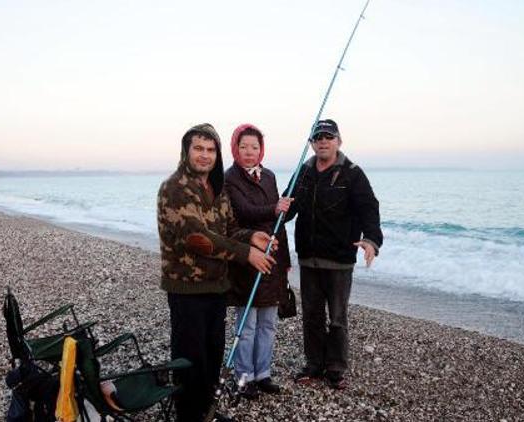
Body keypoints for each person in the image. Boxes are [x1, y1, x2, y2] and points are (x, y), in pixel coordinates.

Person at [157, 123, 277, 422]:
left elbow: (229, 229)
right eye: (198, 148)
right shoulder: (176, 188)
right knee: (189, 359)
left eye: (211, 150)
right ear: (186, 151)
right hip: (187, 288)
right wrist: (246, 253)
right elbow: (197, 238)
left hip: (216, 286)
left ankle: (207, 412)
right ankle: (189, 415)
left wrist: (250, 237)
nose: (205, 155)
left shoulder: (218, 188)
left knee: (212, 356)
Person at [284, 118, 383, 390]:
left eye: (329, 136)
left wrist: (371, 240)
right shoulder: (303, 172)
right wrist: (276, 212)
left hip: (339, 260)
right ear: (312, 143)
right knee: (311, 315)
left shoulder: (352, 173)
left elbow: (369, 208)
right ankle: (314, 364)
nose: (323, 141)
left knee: (337, 318)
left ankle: (336, 368)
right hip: (308, 258)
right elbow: (287, 208)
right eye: (318, 137)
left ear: (339, 141)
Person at [223, 124, 292, 399]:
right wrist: (274, 208)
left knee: (269, 323)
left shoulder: (270, 176)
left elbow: (279, 222)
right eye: (244, 147)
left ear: (261, 149)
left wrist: (285, 259)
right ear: (235, 149)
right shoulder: (229, 178)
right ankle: (243, 377)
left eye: (254, 147)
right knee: (247, 324)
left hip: (273, 256)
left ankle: (262, 374)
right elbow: (243, 212)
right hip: (248, 257)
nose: (249, 152)